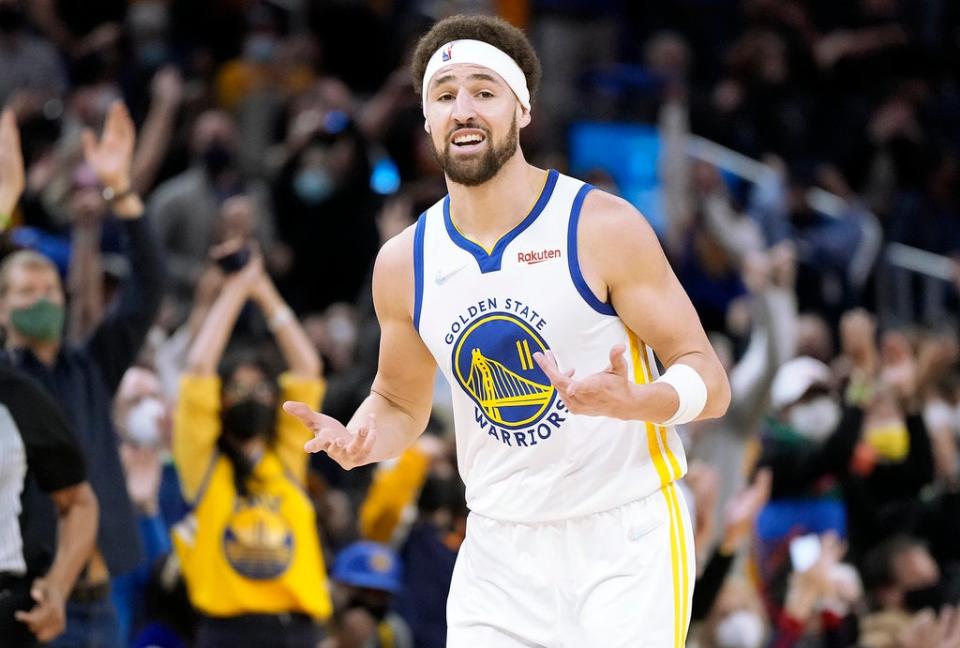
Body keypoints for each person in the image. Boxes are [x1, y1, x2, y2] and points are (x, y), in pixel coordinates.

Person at [284, 14, 730, 648]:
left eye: (484, 91)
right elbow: (399, 402)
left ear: (521, 109)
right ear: (427, 118)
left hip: (624, 536)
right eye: (445, 96)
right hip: (497, 545)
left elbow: (710, 380)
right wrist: (364, 437)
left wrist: (642, 402)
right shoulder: (405, 262)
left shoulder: (601, 226)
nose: (463, 109)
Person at [0, 101, 165, 647]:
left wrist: (122, 192)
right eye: (25, 291)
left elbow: (147, 292)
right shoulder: (5, 380)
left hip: (106, 597)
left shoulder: (91, 365)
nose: (42, 297)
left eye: (49, 288)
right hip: (37, 599)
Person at [171, 246, 331, 648]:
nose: (252, 396)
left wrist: (264, 292)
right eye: (238, 388)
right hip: (228, 632)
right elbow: (199, 368)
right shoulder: (204, 462)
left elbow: (307, 368)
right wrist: (234, 291)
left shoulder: (289, 458)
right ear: (220, 401)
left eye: (261, 388)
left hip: (297, 631)